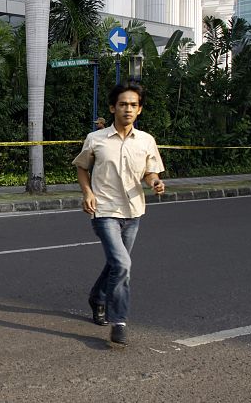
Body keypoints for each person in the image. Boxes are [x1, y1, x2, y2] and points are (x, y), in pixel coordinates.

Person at [73, 81, 166, 346]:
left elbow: (150, 172)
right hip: (104, 210)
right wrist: (87, 193)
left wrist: (155, 182)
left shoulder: (146, 141)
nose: (128, 109)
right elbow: (82, 167)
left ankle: (97, 297)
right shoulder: (96, 139)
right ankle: (119, 321)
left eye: (133, 105)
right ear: (113, 107)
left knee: (117, 263)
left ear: (140, 110)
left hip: (134, 210)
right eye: (123, 104)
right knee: (123, 264)